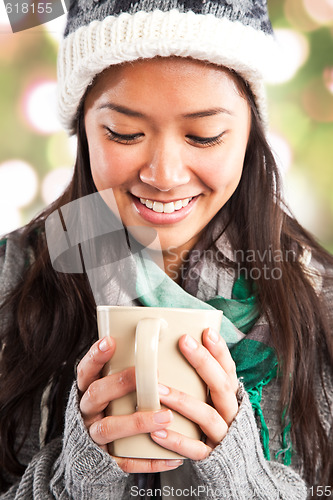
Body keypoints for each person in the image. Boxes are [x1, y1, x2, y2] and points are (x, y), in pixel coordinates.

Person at [0, 0, 332, 498]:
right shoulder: (10, 279)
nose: (164, 176)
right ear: (84, 128)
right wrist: (76, 476)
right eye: (124, 133)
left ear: (248, 133)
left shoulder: (319, 300)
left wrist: (243, 478)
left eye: (204, 136)